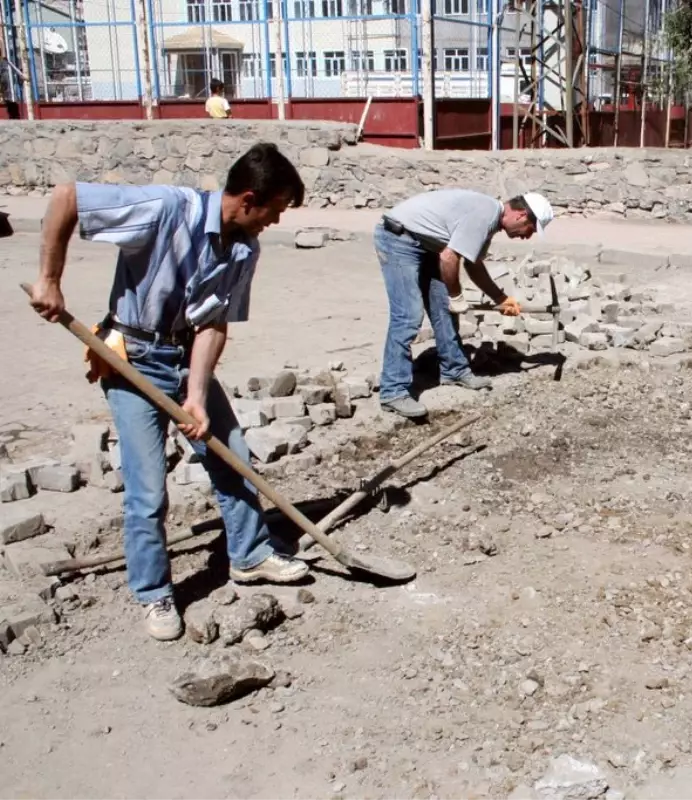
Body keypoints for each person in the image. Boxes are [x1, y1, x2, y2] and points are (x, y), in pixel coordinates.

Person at [28, 143, 311, 641]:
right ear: (248, 199)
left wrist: (197, 395)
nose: (276, 220)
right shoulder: (165, 208)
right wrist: (50, 280)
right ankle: (153, 591)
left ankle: (249, 555)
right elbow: (67, 197)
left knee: (233, 456)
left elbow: (215, 324)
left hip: (185, 359)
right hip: (131, 358)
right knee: (148, 490)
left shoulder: (245, 247)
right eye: (276, 209)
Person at [375, 189, 555, 418]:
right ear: (520, 215)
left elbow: (474, 264)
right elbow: (449, 258)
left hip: (427, 244)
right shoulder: (483, 215)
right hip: (398, 239)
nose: (526, 236)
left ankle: (454, 370)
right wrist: (456, 295)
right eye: (529, 229)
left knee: (443, 310)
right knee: (408, 315)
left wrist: (499, 298)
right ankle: (393, 391)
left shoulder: (489, 220)